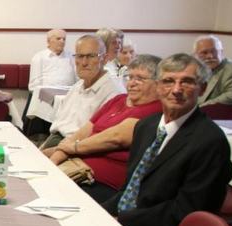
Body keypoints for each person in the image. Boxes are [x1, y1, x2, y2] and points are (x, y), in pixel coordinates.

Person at [103, 54, 232, 226]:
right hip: (127, 223)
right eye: (168, 81)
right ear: (157, 86)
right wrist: (99, 213)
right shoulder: (146, 126)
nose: (176, 90)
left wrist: (122, 219)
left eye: (187, 82)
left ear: (202, 88)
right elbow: (129, 188)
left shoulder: (210, 142)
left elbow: (186, 211)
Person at [46, 55, 162, 203]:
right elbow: (81, 133)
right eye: (130, 77)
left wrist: (72, 148)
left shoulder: (155, 109)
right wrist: (52, 164)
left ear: (158, 84)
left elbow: (116, 138)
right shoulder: (118, 100)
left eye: (140, 79)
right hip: (75, 166)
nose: (132, 83)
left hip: (101, 182)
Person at [41, 34, 125, 149]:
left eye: (91, 56)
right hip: (55, 141)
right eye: (80, 56)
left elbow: (99, 140)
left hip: (77, 149)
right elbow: (58, 126)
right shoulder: (77, 86)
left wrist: (52, 152)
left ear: (105, 59)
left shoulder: (114, 93)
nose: (84, 62)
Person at [194, 34, 232, 106]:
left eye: (214, 51)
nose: (210, 56)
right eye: (204, 52)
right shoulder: (194, 68)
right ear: (196, 55)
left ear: (221, 52)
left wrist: (201, 107)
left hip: (213, 111)